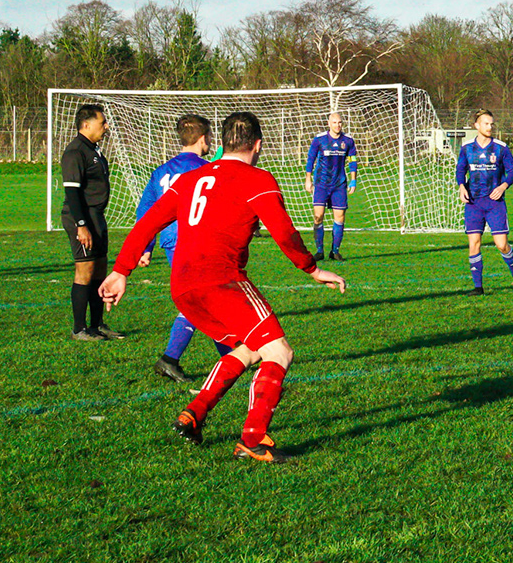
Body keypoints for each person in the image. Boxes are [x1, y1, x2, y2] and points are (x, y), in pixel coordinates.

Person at [100, 111, 346, 463]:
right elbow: (285, 233)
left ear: (224, 143)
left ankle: (193, 415)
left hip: (183, 286)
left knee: (249, 349)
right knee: (280, 352)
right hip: (222, 280)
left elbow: (148, 222)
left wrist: (121, 270)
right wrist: (312, 269)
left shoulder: (191, 178)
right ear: (257, 145)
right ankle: (253, 438)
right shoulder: (257, 179)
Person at [135, 114, 232, 383]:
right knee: (200, 298)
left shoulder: (161, 172)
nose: (210, 142)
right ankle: (170, 358)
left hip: (170, 241)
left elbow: (146, 211)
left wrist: (146, 246)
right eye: (209, 137)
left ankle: (231, 355)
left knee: (205, 297)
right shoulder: (206, 170)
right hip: (195, 240)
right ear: (203, 139)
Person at [61, 103, 124, 341]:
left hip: (96, 216)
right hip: (82, 217)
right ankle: (79, 329)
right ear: (86, 125)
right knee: (84, 270)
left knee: (99, 269)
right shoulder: (75, 152)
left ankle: (97, 325)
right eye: (102, 122)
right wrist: (81, 224)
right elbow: (72, 193)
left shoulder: (94, 150)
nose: (106, 127)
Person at [457, 109, 513, 296]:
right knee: (474, 243)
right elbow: (460, 169)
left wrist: (503, 186)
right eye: (486, 123)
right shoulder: (466, 148)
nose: (490, 127)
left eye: (491, 124)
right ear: (477, 126)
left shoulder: (501, 148)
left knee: (502, 244)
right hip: (473, 202)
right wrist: (461, 186)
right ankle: (478, 288)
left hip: (494, 203)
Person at [305, 112, 357, 261]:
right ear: (329, 123)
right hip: (321, 184)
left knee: (340, 217)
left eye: (340, 122)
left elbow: (353, 161)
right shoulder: (319, 139)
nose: (337, 125)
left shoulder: (348, 141)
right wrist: (308, 179)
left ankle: (335, 251)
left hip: (339, 185)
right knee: (318, 216)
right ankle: (319, 250)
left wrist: (353, 180)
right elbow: (311, 159)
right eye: (334, 122)